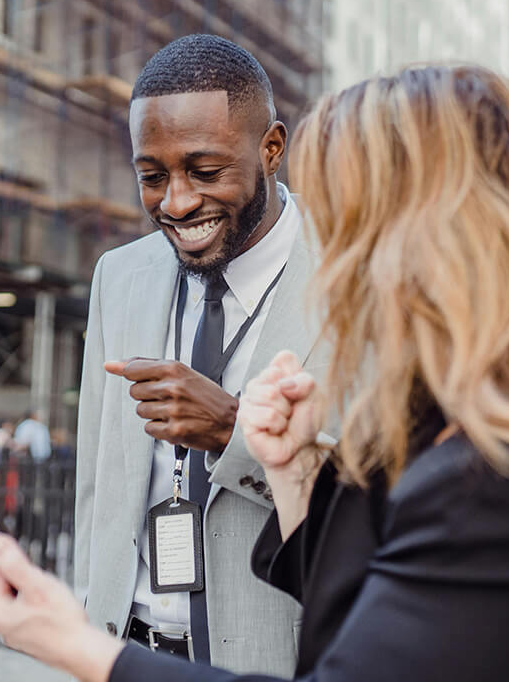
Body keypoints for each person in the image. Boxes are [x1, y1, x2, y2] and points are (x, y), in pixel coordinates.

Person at [0, 65, 509, 682]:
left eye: (344, 221)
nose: (329, 255)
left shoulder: (495, 482)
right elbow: (375, 610)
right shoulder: (486, 429)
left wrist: (79, 647)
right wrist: (292, 473)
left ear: (423, 242)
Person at [70, 34, 326, 675]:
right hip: (127, 653)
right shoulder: (118, 275)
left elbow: (384, 504)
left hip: (276, 663)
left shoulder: (359, 279)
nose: (176, 203)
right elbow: (98, 485)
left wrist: (234, 430)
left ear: (271, 149)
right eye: (151, 177)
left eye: (205, 172)